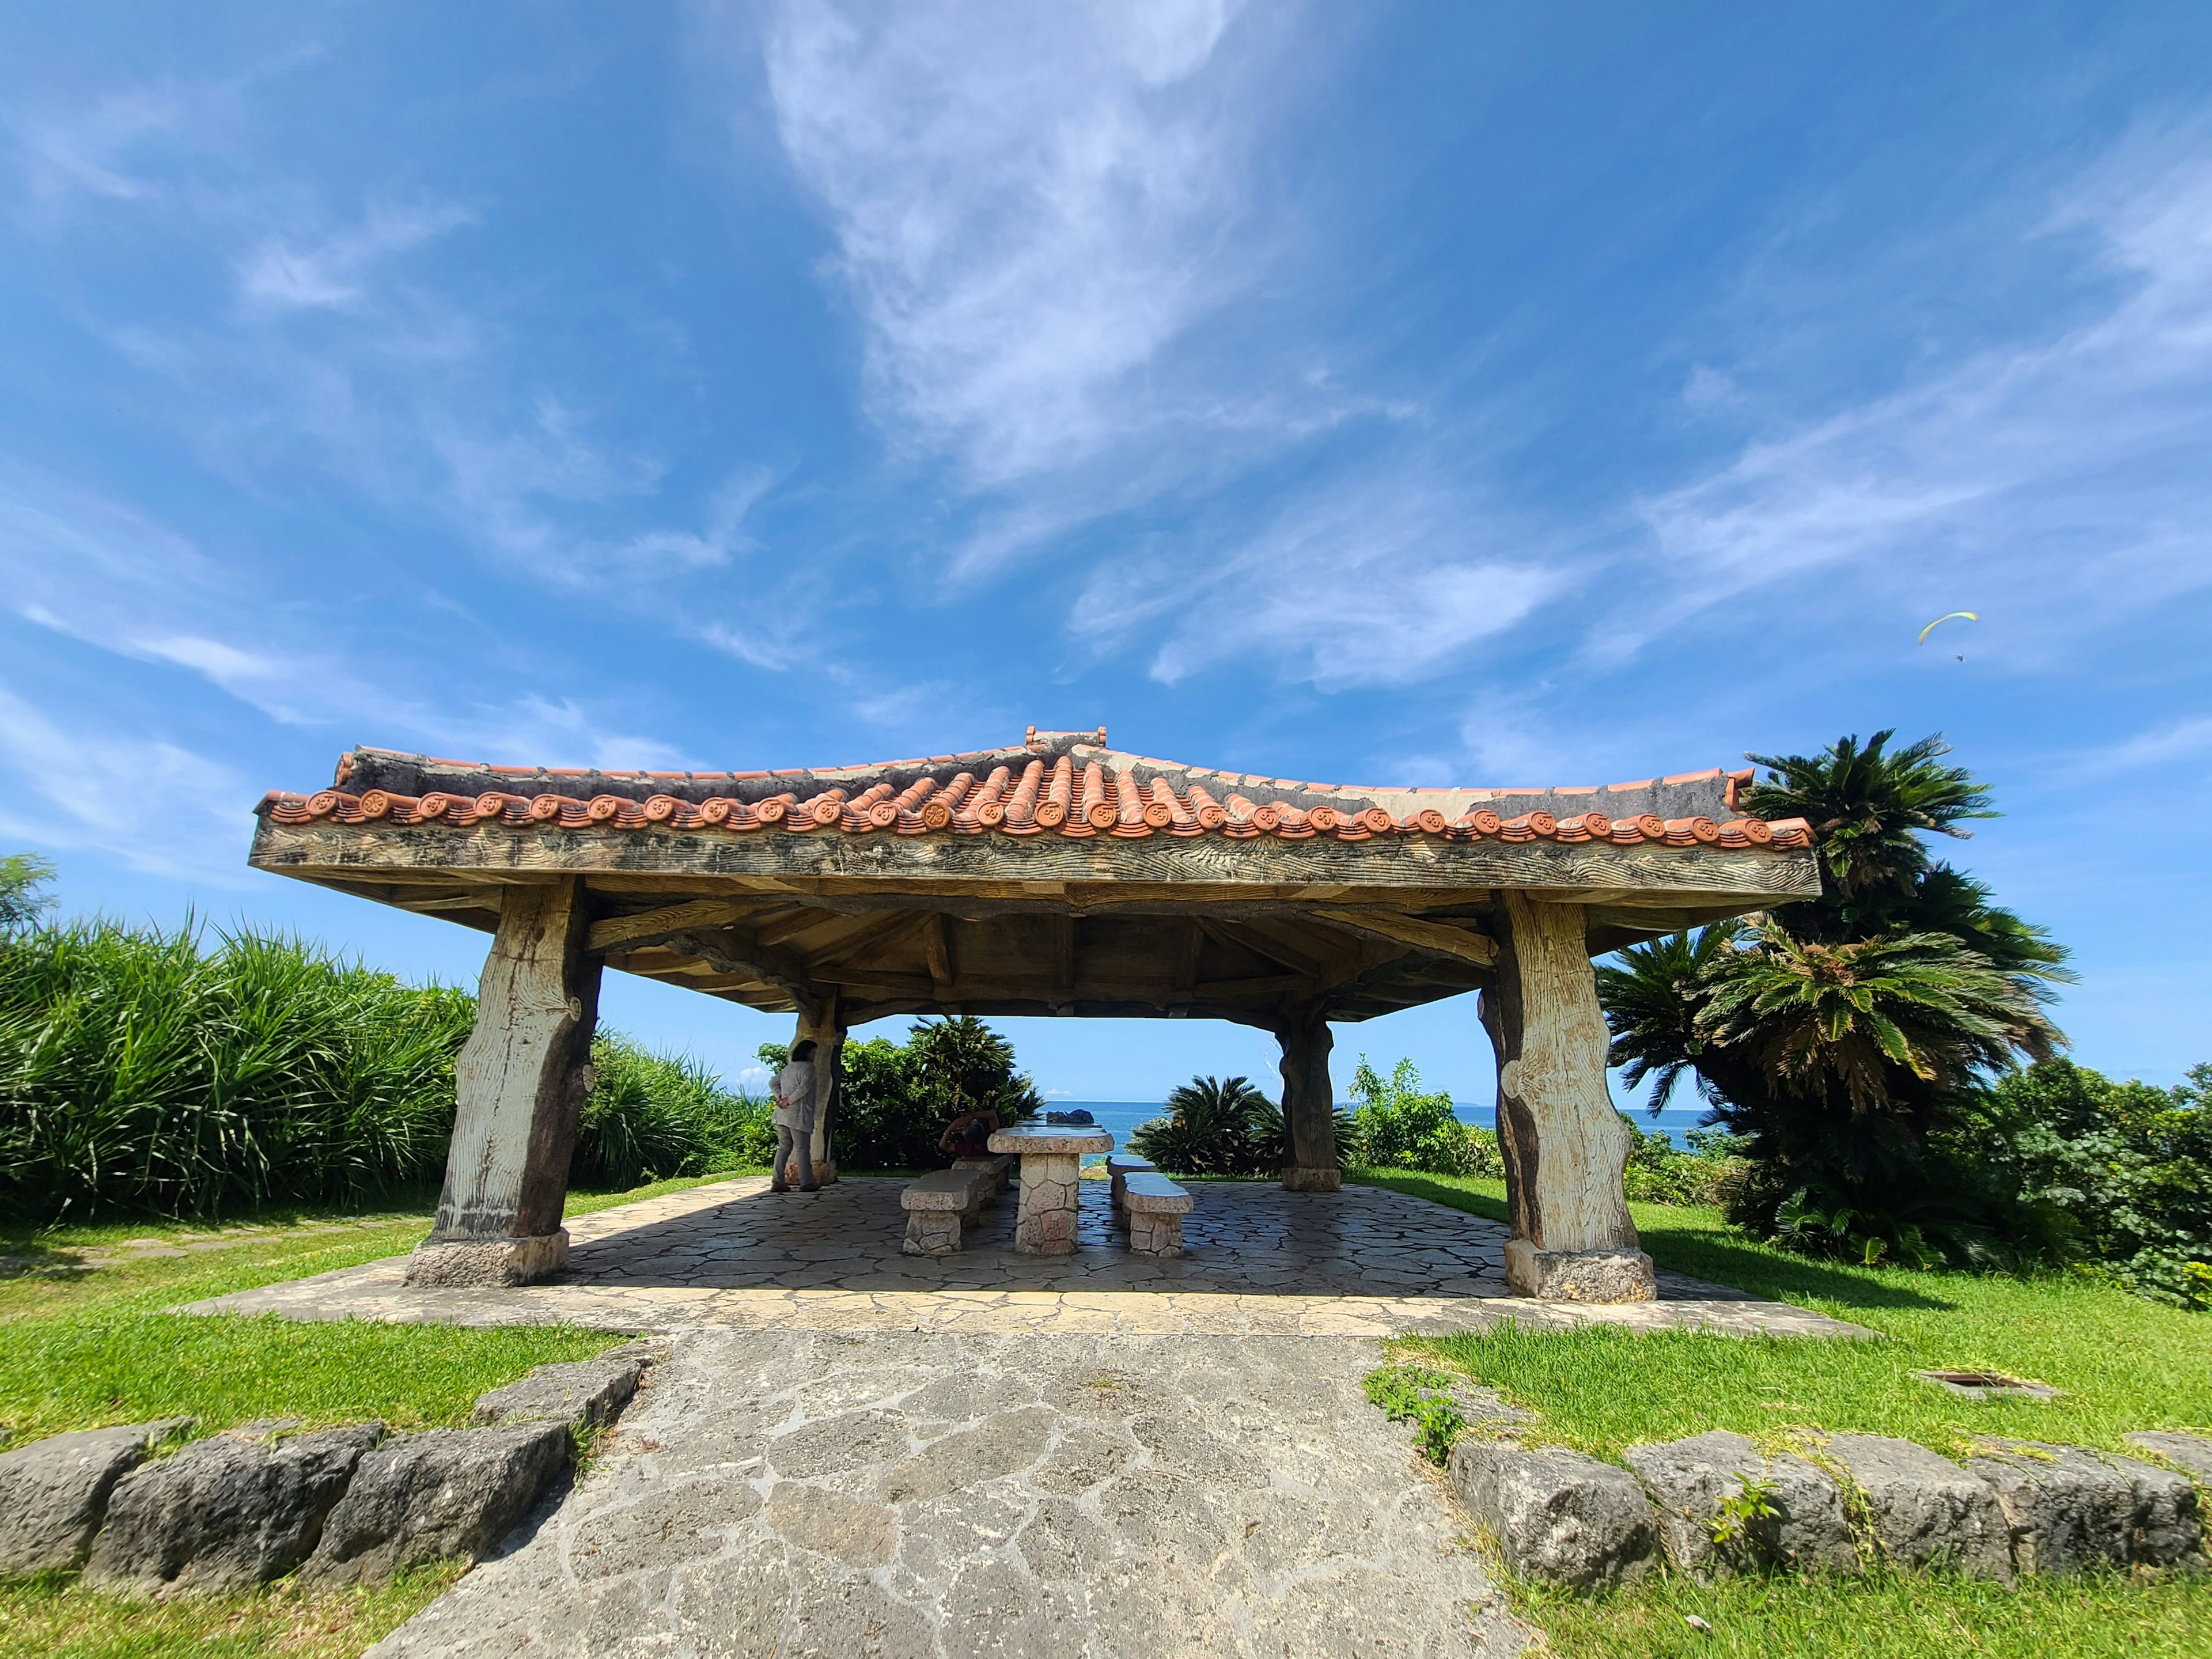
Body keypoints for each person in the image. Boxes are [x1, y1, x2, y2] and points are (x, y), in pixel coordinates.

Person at [771, 1040, 819, 1192]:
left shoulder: (788, 1068)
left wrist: (780, 1097)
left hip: (782, 1114)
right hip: (799, 1115)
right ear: (807, 1053)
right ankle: (806, 1182)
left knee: (784, 1148)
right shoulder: (809, 1068)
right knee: (802, 1149)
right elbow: (803, 1088)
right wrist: (788, 1100)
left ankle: (778, 1181)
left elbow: (773, 1083)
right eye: (813, 1052)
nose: (814, 1056)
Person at [938, 1107, 1002, 1161]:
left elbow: (943, 1145)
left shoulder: (966, 1149)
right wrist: (972, 1116)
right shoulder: (994, 1142)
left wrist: (951, 1127)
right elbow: (992, 1114)